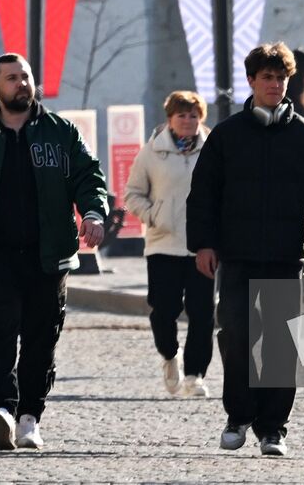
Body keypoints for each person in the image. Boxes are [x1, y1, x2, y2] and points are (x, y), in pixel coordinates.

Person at [0, 54, 108, 452]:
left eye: (25, 76)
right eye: (11, 78)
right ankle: (2, 411)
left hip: (48, 256)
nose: (21, 84)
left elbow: (88, 176)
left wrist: (93, 212)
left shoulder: (61, 132)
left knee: (41, 340)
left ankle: (30, 417)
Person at [188, 42, 304, 457]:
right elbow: (203, 194)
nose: (275, 84)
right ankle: (238, 416)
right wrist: (202, 243)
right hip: (235, 255)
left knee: (280, 343)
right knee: (235, 334)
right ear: (252, 81)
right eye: (267, 77)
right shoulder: (226, 136)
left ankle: (273, 427)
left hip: (286, 255)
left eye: (281, 78)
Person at [123, 90, 214, 399]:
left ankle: (195, 374)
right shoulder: (152, 153)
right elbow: (133, 193)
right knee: (164, 311)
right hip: (163, 245)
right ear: (170, 119)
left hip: (203, 247)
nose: (188, 121)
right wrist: (153, 215)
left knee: (202, 313)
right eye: (181, 115)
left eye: (193, 115)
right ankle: (169, 355)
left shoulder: (214, 149)